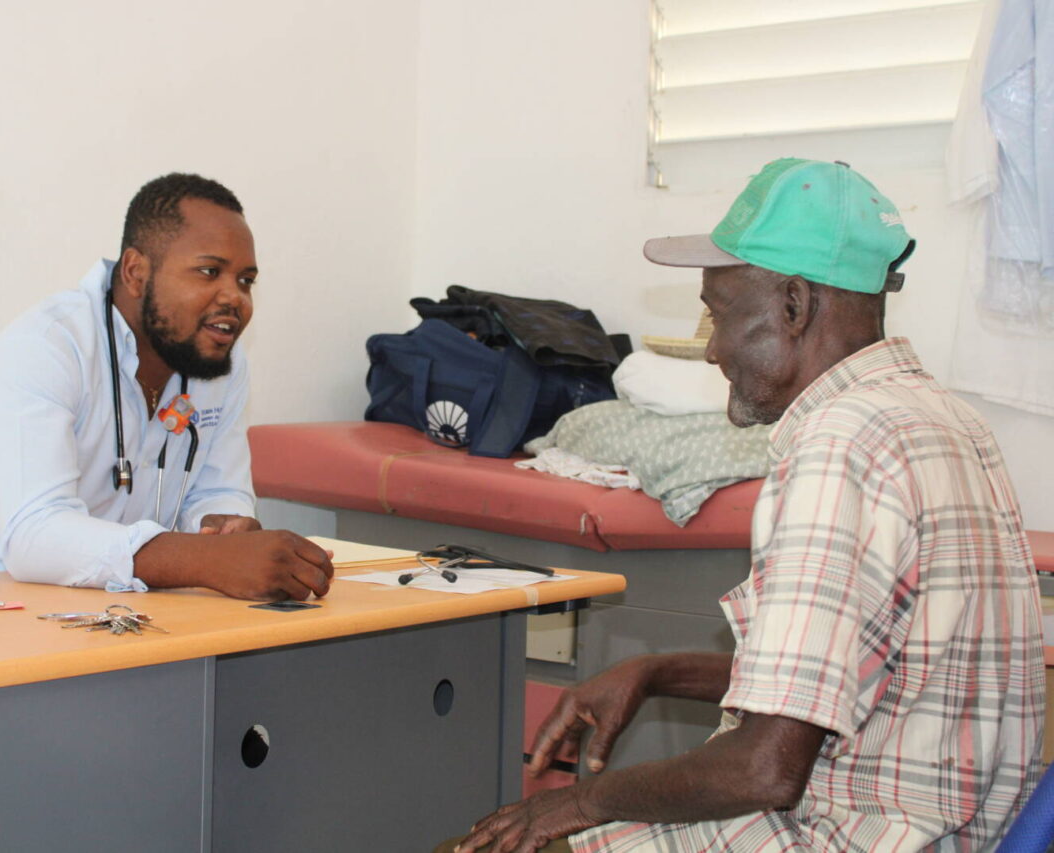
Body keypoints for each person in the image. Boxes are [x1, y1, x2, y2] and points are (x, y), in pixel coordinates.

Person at [444, 159, 1044, 852]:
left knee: (499, 842)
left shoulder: (836, 447)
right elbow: (839, 677)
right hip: (951, 830)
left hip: (849, 836)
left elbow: (765, 768)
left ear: (793, 305)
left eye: (718, 314)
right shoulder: (944, 419)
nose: (710, 349)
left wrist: (578, 803)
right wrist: (656, 669)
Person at [0, 173, 334, 600]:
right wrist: (207, 560)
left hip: (89, 616)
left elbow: (219, 492)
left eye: (245, 280)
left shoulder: (221, 362)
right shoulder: (46, 347)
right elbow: (35, 534)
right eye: (209, 271)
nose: (234, 298)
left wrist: (227, 531)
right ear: (135, 272)